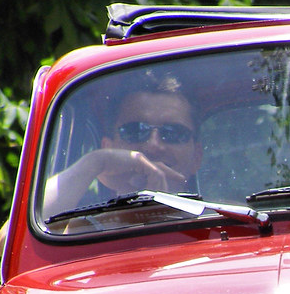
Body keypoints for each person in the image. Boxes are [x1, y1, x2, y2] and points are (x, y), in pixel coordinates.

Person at [42, 70, 203, 218]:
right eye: (135, 130)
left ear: (197, 156)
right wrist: (95, 162)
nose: (154, 145)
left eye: (173, 133)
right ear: (108, 148)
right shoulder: (81, 229)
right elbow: (31, 229)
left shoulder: (219, 224)